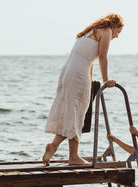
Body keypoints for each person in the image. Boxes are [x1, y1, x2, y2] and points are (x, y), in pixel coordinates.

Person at [43, 13, 124, 166]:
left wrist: (91, 79)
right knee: (77, 113)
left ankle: (53, 146)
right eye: (118, 32)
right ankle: (73, 157)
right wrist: (106, 80)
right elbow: (102, 56)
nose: (117, 36)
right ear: (112, 26)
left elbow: (88, 60)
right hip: (78, 74)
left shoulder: (90, 32)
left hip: (68, 72)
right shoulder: (105, 31)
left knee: (70, 112)